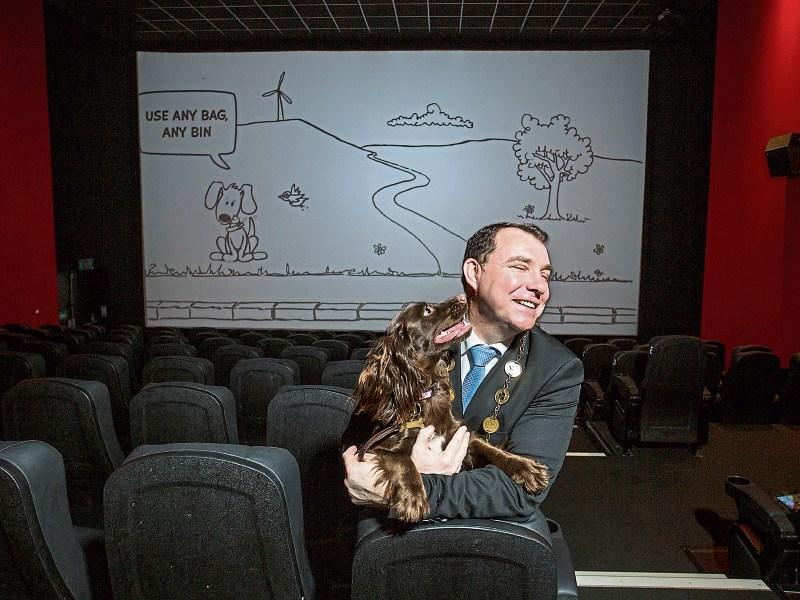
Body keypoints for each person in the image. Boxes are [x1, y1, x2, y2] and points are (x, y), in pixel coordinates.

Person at [342, 221, 583, 536]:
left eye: (545, 275)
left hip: (487, 535)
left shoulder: (558, 368)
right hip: (393, 535)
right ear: (473, 273)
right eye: (520, 267)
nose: (539, 286)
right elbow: (358, 451)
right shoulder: (415, 343)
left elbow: (519, 491)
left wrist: (410, 487)